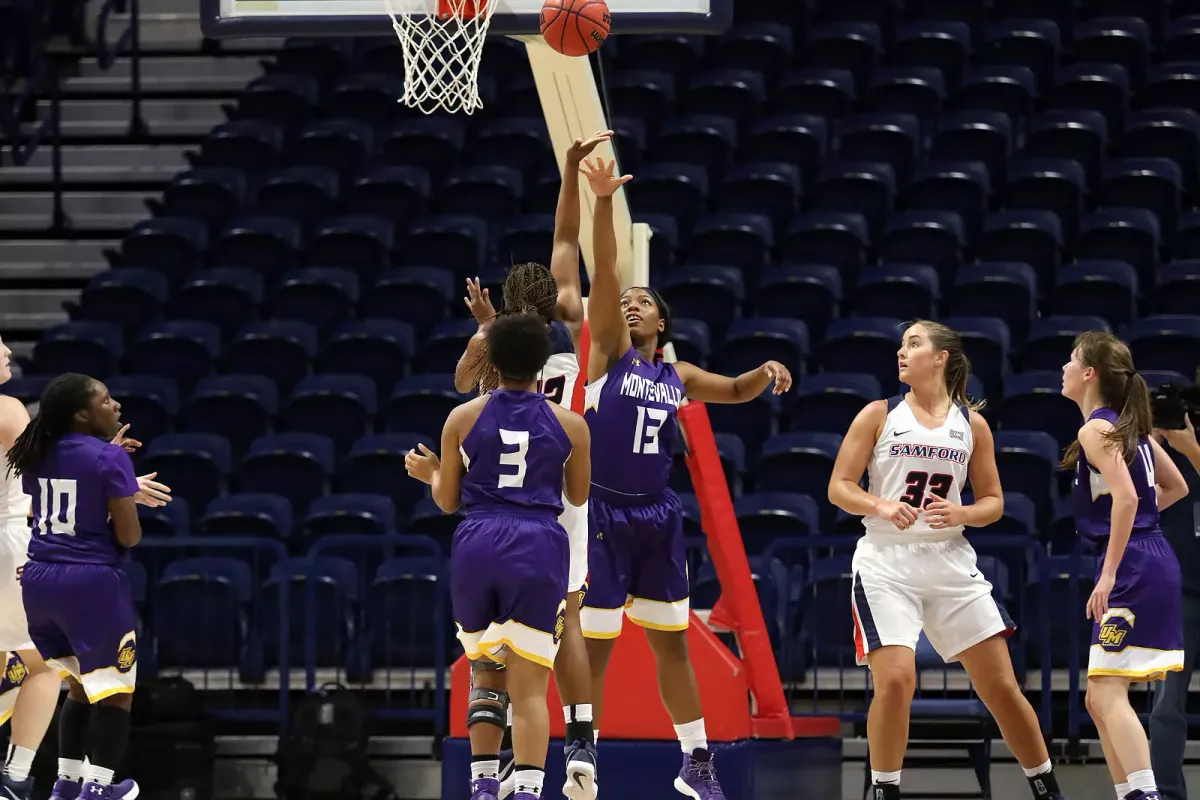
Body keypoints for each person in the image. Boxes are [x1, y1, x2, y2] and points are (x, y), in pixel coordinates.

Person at [576, 156, 792, 800]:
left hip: (658, 515)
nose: (631, 306)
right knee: (599, 643)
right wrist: (603, 204)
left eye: (644, 303)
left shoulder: (678, 376)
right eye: (626, 303)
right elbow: (607, 271)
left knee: (673, 643)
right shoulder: (608, 353)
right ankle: (583, 743)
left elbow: (732, 388)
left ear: (662, 324)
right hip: (605, 513)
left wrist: (765, 372)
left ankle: (695, 758)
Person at [827, 320, 1068, 800]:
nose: (901, 352)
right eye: (901, 344)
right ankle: (883, 790)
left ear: (941, 357)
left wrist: (962, 511)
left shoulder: (971, 424)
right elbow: (839, 487)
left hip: (950, 559)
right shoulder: (878, 414)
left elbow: (995, 501)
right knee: (896, 679)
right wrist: (880, 505)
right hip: (886, 560)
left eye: (913, 343)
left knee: (1001, 686)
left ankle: (1046, 788)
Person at [454, 131, 610, 800]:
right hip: (563, 491)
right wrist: (574, 176)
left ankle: (491, 774)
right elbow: (566, 243)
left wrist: (484, 329)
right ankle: (580, 743)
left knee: (491, 645)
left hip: (498, 506)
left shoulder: (500, 343)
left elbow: (464, 384)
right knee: (568, 617)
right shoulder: (571, 321)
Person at [406, 312, 592, 800]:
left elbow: (447, 501)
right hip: (536, 543)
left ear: (491, 360)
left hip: (478, 540)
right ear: (542, 365)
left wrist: (430, 474)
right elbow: (576, 495)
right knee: (529, 686)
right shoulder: (570, 424)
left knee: (486, 675)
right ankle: (529, 791)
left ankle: (484, 786)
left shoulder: (462, 418)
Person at [0, 347, 168, 800]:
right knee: (112, 689)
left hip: (39, 573)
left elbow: (53, 485)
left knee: (71, 681)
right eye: (106, 399)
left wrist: (105, 462)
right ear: (81, 413)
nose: (115, 405)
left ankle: (64, 783)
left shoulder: (39, 451)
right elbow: (129, 537)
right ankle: (93, 787)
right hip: (80, 575)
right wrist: (121, 484)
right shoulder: (104, 458)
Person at [1061, 332, 1190, 800]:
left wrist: (1111, 571)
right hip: (1150, 555)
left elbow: (1129, 498)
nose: (1064, 368)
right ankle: (1133, 795)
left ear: (1090, 373)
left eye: (1072, 360)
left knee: (1107, 695)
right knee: (1099, 700)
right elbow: (1176, 489)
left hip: (1133, 564)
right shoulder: (1132, 427)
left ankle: (1147, 796)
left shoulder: (1095, 428)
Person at [1149, 413, 1200, 800]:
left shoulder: (1190, 449)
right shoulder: (1164, 449)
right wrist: (1151, 445)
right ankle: (1165, 793)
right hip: (1180, 586)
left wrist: (1193, 450)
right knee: (1167, 702)